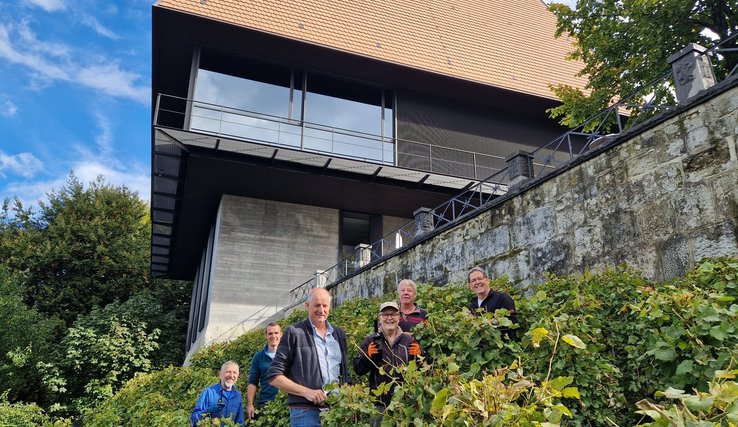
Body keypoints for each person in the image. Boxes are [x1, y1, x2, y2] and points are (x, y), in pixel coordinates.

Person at [267, 287, 350, 427]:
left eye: (325, 306)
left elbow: (345, 374)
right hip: (305, 412)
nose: (321, 310)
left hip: (337, 410)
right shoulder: (295, 333)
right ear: (307, 306)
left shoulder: (339, 334)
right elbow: (274, 376)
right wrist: (307, 392)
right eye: (317, 305)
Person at [354, 301, 424, 426]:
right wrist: (366, 357)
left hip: (406, 403)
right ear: (379, 318)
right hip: (380, 406)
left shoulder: (409, 339)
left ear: (399, 317)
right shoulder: (371, 340)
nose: (389, 318)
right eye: (385, 314)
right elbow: (358, 369)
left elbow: (424, 367)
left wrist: (420, 355)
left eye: (393, 314)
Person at [467, 266, 517, 339]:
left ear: (487, 280)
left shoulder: (502, 298)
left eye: (480, 278)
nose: (477, 282)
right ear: (470, 286)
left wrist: (490, 324)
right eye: (473, 280)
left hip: (503, 348)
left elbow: (513, 323)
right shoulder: (471, 307)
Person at [190, 360, 245, 426]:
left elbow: (240, 422)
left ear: (238, 375)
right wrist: (208, 410)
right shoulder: (209, 392)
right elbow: (193, 419)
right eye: (228, 372)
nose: (231, 375)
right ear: (221, 374)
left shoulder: (237, 396)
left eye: (235, 373)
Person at [246, 322, 282, 420]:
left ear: (281, 334)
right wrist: (250, 404)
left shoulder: (290, 354)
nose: (273, 336)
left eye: (276, 333)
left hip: (286, 403)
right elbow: (253, 382)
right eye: (270, 333)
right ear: (266, 335)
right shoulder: (258, 357)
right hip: (265, 404)